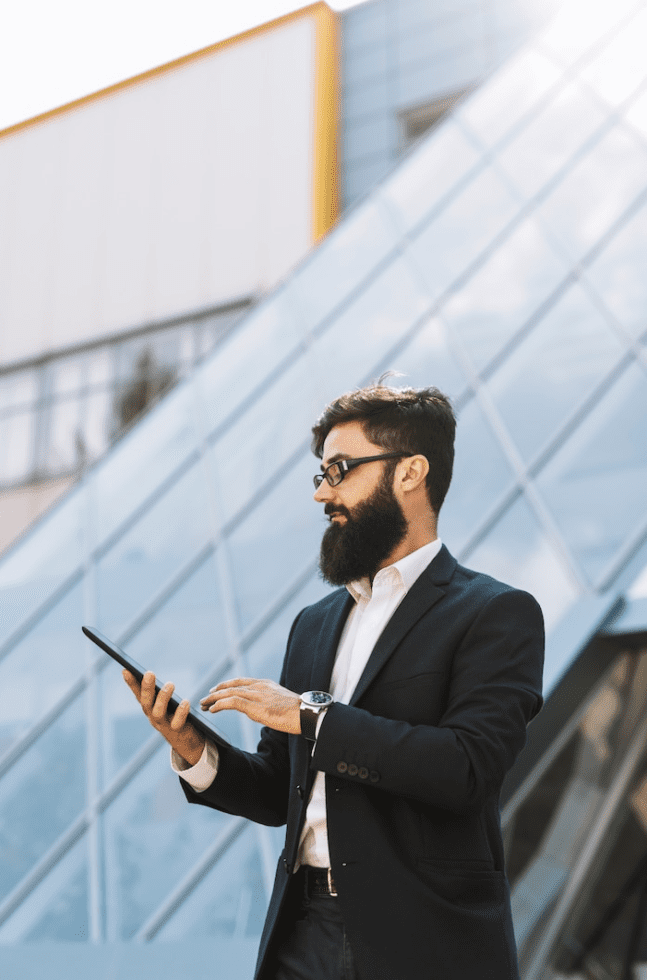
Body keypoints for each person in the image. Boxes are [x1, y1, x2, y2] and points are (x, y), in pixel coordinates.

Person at [123, 382, 545, 980]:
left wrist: (311, 716)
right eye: (320, 473)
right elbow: (278, 792)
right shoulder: (314, 625)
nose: (323, 492)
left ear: (410, 472)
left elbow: (468, 768)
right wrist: (192, 749)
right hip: (302, 932)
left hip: (420, 941)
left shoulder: (495, 613)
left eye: (340, 470)